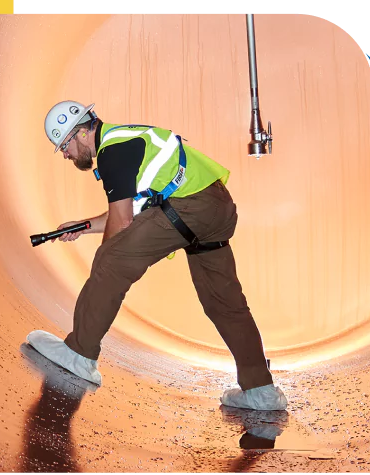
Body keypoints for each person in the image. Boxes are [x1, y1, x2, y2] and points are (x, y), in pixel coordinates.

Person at [26, 100, 287, 411]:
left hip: (189, 206)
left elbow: (121, 222)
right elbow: (134, 211)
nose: (66, 155)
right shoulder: (127, 140)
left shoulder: (111, 151)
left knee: (110, 260)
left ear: (81, 132)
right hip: (216, 207)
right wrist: (83, 227)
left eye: (64, 146)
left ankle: (79, 353)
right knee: (224, 302)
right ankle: (261, 391)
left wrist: (108, 255)